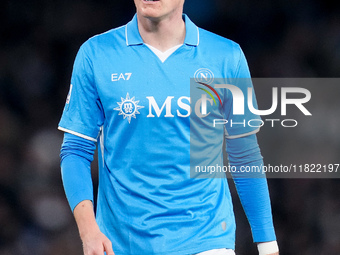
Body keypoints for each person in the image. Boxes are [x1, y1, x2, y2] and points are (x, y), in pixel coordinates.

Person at [58, 0, 279, 254]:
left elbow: (244, 155)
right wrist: (89, 232)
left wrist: (267, 243)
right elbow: (76, 150)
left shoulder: (225, 56)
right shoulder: (97, 54)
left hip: (206, 240)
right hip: (122, 242)